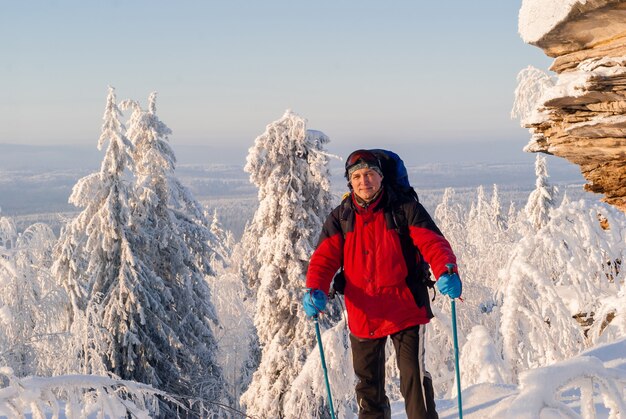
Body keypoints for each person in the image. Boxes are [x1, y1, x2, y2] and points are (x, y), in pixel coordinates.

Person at [302, 149, 462, 419]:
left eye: (370, 174)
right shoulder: (341, 218)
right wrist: (315, 288)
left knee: (413, 380)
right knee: (369, 388)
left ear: (381, 177)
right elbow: (323, 259)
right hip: (365, 313)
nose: (364, 181)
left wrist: (447, 270)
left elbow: (433, 243)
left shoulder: (404, 209)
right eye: (357, 176)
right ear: (350, 182)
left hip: (406, 308)